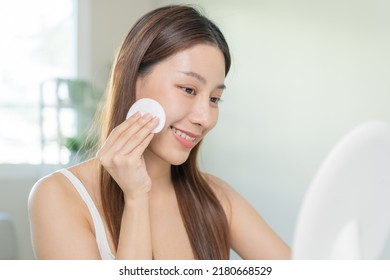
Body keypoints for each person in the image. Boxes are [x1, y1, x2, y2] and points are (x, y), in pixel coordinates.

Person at [28, 4, 290, 260]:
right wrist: (136, 198)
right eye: (188, 89)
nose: (205, 118)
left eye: (214, 98)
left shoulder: (217, 198)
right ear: (127, 78)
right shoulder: (58, 196)